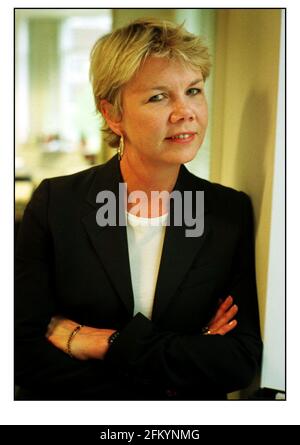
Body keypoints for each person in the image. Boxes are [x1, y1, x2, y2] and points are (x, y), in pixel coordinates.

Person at [15, 18, 262, 400]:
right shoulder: (56, 204)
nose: (185, 112)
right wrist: (185, 353)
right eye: (158, 97)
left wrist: (100, 342)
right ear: (113, 114)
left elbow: (238, 360)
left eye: (193, 90)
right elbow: (21, 352)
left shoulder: (227, 212)